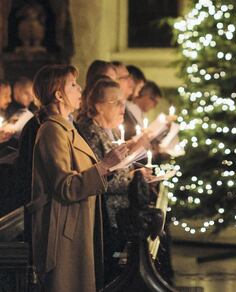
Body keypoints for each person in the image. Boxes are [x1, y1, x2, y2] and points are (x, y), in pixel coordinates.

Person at [27, 64, 129, 292]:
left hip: (77, 225)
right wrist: (104, 165)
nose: (80, 88)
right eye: (73, 84)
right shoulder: (52, 130)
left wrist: (108, 168)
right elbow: (65, 186)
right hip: (64, 231)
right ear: (58, 94)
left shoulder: (67, 128)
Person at [76, 77, 151, 283]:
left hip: (120, 212)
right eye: (115, 102)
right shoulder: (90, 133)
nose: (122, 107)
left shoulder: (109, 132)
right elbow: (102, 178)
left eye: (123, 101)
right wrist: (134, 177)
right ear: (98, 106)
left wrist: (137, 173)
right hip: (107, 216)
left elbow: (118, 167)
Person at [112, 61, 141, 139]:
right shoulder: (111, 111)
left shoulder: (126, 107)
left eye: (130, 78)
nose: (131, 83)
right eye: (126, 78)